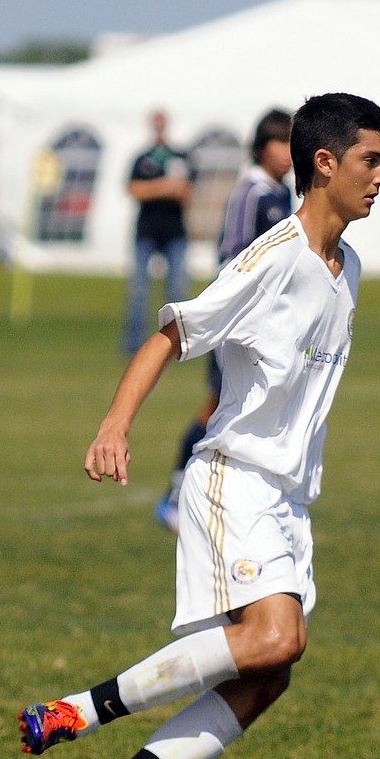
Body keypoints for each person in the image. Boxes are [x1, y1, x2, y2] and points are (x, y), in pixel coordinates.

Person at [18, 93, 380, 759]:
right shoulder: (273, 259)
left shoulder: (346, 264)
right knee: (276, 638)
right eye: (371, 161)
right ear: (324, 164)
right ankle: (77, 709)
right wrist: (115, 424)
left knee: (268, 674)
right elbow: (170, 333)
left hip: (287, 497)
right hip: (234, 478)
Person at [154, 108, 294, 532]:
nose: (288, 153)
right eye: (280, 143)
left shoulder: (283, 194)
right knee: (218, 405)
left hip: (270, 329)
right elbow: (231, 257)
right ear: (261, 146)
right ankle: (176, 494)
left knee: (256, 408)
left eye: (293, 143)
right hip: (239, 326)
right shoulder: (250, 194)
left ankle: (235, 497)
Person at [121, 110, 194, 354]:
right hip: (147, 230)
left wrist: (157, 189)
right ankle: (133, 343)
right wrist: (164, 187)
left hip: (174, 231)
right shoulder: (143, 158)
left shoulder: (179, 157)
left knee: (176, 291)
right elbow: (133, 189)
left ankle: (177, 343)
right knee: (139, 291)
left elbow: (187, 193)